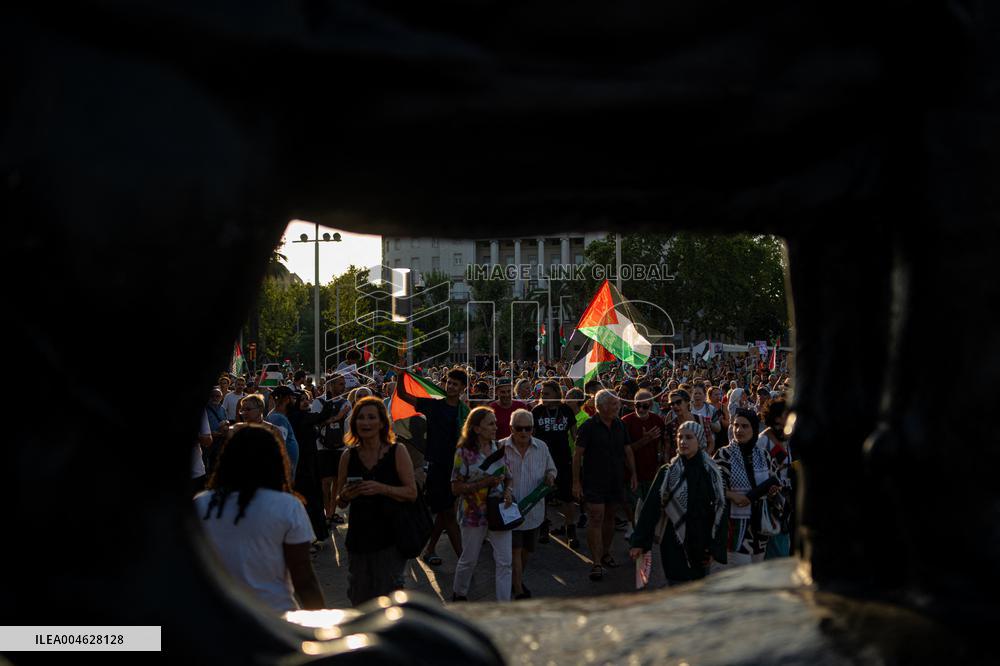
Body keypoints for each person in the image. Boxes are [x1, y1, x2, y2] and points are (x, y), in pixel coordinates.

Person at [195, 424, 325, 613]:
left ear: (227, 459)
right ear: (275, 461)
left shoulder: (201, 504)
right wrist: (323, 628)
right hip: (274, 618)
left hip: (215, 617)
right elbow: (303, 578)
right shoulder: (287, 506)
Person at [335, 397, 417, 606]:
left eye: (371, 417)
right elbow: (340, 502)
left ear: (382, 423)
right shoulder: (348, 456)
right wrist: (346, 495)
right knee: (359, 597)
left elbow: (411, 492)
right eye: (360, 418)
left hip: (390, 537)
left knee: (388, 599)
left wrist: (382, 488)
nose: (365, 422)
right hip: (358, 538)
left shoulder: (397, 451)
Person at [629, 420, 726, 585]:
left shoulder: (711, 472)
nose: (683, 442)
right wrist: (639, 542)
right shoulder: (667, 472)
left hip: (701, 543)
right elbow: (651, 508)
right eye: (680, 437)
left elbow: (719, 509)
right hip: (673, 542)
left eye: (689, 437)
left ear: (700, 440)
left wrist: (714, 548)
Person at [395, 367, 470, 566]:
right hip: (438, 466)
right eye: (449, 382)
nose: (451, 386)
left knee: (446, 512)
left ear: (463, 388)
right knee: (448, 513)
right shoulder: (434, 406)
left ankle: (429, 549)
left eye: (455, 384)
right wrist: (401, 375)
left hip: (456, 467)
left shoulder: (465, 412)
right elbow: (403, 395)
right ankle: (464, 559)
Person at [450, 407, 513, 602]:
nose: (496, 426)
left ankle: (504, 604)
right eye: (491, 423)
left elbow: (508, 477)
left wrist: (508, 490)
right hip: (473, 514)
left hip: (498, 512)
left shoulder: (497, 448)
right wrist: (483, 483)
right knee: (469, 560)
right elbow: (456, 488)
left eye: (495, 422)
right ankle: (459, 594)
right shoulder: (464, 453)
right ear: (476, 428)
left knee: (505, 562)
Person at [572, 389, 637, 581]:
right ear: (599, 407)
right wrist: (576, 482)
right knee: (596, 518)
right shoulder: (588, 426)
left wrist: (633, 473)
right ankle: (596, 562)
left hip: (615, 480)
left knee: (610, 518)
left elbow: (627, 450)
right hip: (594, 481)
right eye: (612, 404)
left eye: (617, 404)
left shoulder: (620, 425)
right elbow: (577, 456)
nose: (616, 407)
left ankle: (606, 553)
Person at [713, 408, 781, 568]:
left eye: (745, 426)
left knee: (757, 578)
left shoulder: (763, 454)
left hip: (760, 526)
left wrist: (772, 492)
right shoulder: (724, 454)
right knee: (741, 578)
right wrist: (732, 496)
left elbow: (774, 479)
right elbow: (713, 484)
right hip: (736, 528)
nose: (739, 430)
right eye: (736, 425)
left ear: (754, 429)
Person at [503, 409, 557, 599]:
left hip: (534, 512)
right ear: (511, 428)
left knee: (527, 550)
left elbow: (552, 469)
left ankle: (516, 580)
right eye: (519, 428)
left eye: (528, 428)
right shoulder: (501, 447)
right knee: (515, 550)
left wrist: (550, 477)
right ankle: (518, 590)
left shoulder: (541, 447)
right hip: (511, 511)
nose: (524, 433)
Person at [531, 381, 578, 546]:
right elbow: (531, 436)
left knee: (567, 495)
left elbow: (574, 435)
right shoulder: (537, 411)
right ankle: (543, 526)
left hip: (563, 458)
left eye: (547, 394)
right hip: (542, 459)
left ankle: (570, 528)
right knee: (543, 494)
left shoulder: (566, 410)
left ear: (557, 394)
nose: (543, 397)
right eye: (542, 394)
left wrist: (578, 455)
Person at [289, 390, 335, 549]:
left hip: (311, 462)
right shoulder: (297, 417)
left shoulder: (303, 416)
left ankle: (315, 534)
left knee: (314, 498)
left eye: (306, 399)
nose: (305, 402)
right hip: (303, 466)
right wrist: (329, 399)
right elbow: (321, 416)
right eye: (301, 400)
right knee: (308, 499)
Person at [621, 389, 665, 537]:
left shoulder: (658, 421)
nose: (640, 409)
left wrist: (660, 461)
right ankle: (632, 527)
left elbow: (662, 444)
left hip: (651, 470)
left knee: (648, 504)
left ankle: (644, 530)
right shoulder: (626, 421)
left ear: (651, 405)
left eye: (644, 406)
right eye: (637, 405)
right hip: (632, 471)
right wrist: (645, 440)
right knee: (633, 503)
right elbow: (624, 450)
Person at [757, 399, 794, 559]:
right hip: (771, 500)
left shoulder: (786, 439)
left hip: (786, 498)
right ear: (776, 418)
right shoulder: (763, 440)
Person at [313, 375, 351, 526]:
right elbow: (316, 422)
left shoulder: (346, 402)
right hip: (323, 446)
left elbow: (349, 424)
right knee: (325, 482)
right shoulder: (319, 402)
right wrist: (338, 416)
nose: (344, 387)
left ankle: (331, 513)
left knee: (337, 481)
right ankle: (326, 511)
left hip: (340, 446)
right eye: (340, 384)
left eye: (344, 384)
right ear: (331, 385)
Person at [266, 386, 301, 477]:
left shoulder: (276, 416)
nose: (295, 401)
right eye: (293, 398)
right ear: (286, 399)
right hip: (282, 475)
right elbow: (280, 445)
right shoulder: (278, 418)